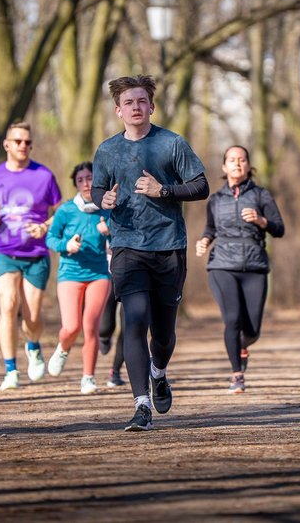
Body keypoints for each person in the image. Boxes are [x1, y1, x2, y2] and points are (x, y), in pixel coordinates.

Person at [92, 75, 208, 432]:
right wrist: (103, 200)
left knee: (163, 335)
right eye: (129, 103)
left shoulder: (172, 144)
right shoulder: (107, 150)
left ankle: (159, 372)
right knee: (134, 319)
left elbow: (201, 186)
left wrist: (164, 190)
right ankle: (141, 404)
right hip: (127, 245)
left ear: (151, 107)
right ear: (118, 110)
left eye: (142, 101)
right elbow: (97, 188)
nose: (136, 108)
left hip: (168, 246)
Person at [195, 145, 285, 393]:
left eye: (242, 159)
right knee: (232, 319)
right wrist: (204, 241)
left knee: (253, 330)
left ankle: (243, 346)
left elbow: (279, 228)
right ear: (224, 167)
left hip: (254, 264)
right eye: (232, 160)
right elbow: (210, 229)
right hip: (222, 265)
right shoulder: (215, 199)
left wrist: (260, 220)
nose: (237, 163)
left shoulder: (261, 195)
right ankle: (236, 375)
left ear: (248, 165)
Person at [0, 121, 63, 390]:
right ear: (7, 144)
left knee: (32, 317)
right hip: (3, 251)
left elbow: (61, 213)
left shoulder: (44, 176)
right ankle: (10, 370)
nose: (23, 146)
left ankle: (33, 345)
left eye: (28, 142)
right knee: (8, 304)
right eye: (17, 141)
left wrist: (44, 226)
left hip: (36, 253)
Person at [45, 162, 112, 394]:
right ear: (75, 183)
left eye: (90, 178)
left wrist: (110, 231)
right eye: (81, 179)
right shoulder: (65, 211)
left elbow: (124, 237)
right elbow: (50, 239)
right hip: (70, 273)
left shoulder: (107, 211)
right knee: (71, 326)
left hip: (99, 274)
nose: (86, 183)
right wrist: (66, 245)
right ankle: (63, 348)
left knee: (90, 326)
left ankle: (88, 378)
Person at [98, 290, 127, 387]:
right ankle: (104, 337)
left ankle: (115, 372)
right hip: (111, 278)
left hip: (133, 280)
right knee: (104, 328)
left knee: (128, 330)